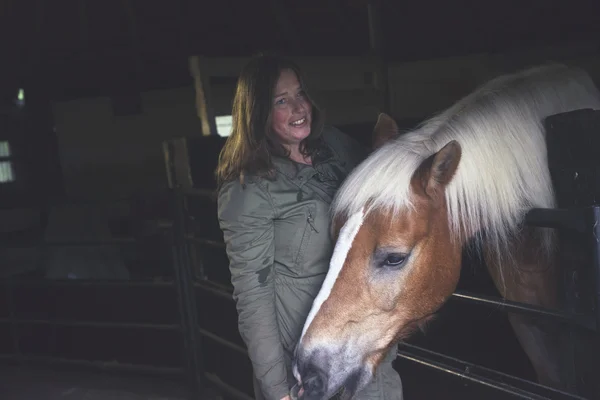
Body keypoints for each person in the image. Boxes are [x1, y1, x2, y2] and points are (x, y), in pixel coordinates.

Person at [216, 53, 403, 400]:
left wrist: (390, 147)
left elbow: (377, 180)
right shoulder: (249, 189)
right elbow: (253, 296)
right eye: (282, 101)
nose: (299, 107)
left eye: (300, 93)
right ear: (258, 113)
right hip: (309, 367)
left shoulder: (331, 144)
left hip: (365, 350)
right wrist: (276, 388)